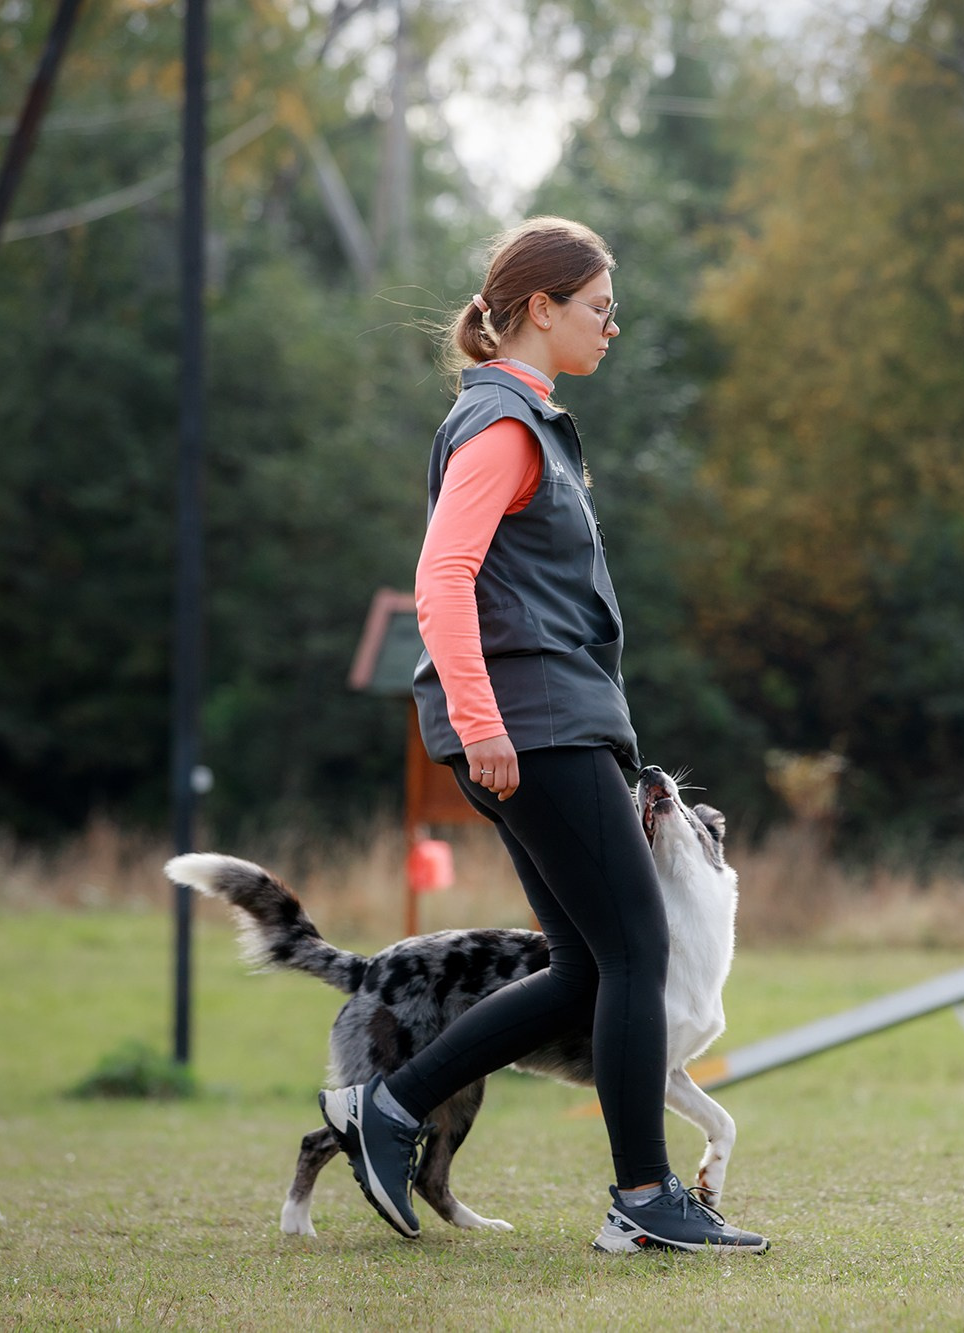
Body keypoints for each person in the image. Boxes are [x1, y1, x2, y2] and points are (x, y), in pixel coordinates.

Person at [318, 217, 768, 1255]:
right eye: (600, 307)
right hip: (530, 724)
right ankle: (642, 1196)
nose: (613, 324)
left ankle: (385, 1110)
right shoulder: (502, 428)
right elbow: (442, 579)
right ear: (540, 308)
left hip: (550, 720)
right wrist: (481, 720)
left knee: (582, 965)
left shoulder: (526, 422)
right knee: (634, 950)